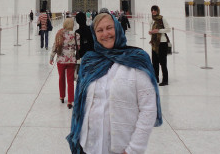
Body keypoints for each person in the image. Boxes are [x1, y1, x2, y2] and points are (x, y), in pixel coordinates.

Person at [67, 13, 162, 154]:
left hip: (121, 148)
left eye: (109, 28)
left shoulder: (136, 59)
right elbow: (81, 105)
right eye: (100, 30)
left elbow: (148, 108)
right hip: (89, 146)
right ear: (95, 34)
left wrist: (133, 149)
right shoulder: (89, 61)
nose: (105, 34)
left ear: (117, 29)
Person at [49, 18, 80, 109]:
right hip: (71, 60)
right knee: (70, 81)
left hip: (61, 60)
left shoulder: (59, 34)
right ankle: (70, 101)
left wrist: (51, 57)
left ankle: (62, 96)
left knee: (61, 78)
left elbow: (55, 46)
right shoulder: (76, 35)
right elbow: (78, 47)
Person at [148, 5, 171, 86]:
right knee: (154, 62)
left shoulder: (162, 18)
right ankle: (156, 78)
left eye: (155, 10)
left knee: (163, 62)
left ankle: (165, 80)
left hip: (162, 43)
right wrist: (151, 32)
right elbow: (151, 30)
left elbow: (168, 29)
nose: (153, 11)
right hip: (154, 43)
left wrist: (158, 30)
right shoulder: (151, 20)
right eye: (152, 10)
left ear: (158, 11)